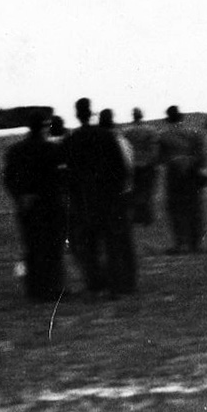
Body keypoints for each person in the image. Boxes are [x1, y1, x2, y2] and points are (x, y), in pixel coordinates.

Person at [65, 98, 135, 295]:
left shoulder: (71, 140)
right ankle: (116, 285)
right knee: (112, 243)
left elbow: (68, 174)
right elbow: (120, 168)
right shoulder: (106, 137)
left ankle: (95, 284)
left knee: (89, 245)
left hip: (84, 201)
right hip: (109, 198)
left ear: (77, 115)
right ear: (91, 112)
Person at [2, 112, 67, 302]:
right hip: (51, 205)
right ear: (44, 127)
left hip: (27, 207)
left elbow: (7, 178)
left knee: (32, 248)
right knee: (53, 248)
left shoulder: (15, 150)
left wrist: (20, 196)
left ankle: (35, 290)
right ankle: (54, 289)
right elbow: (61, 178)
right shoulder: (53, 149)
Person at [158, 106, 207, 253]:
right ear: (181, 117)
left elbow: (159, 158)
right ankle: (196, 244)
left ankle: (180, 243)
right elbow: (202, 157)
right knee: (195, 208)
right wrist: (191, 162)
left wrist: (176, 161)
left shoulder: (163, 136)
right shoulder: (194, 133)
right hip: (192, 175)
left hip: (174, 176)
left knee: (175, 210)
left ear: (167, 119)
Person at [124, 108, 160, 226]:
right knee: (147, 191)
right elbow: (154, 150)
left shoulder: (127, 132)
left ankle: (137, 216)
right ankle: (147, 217)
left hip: (133, 166)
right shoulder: (150, 130)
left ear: (133, 116)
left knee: (135, 192)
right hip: (147, 165)